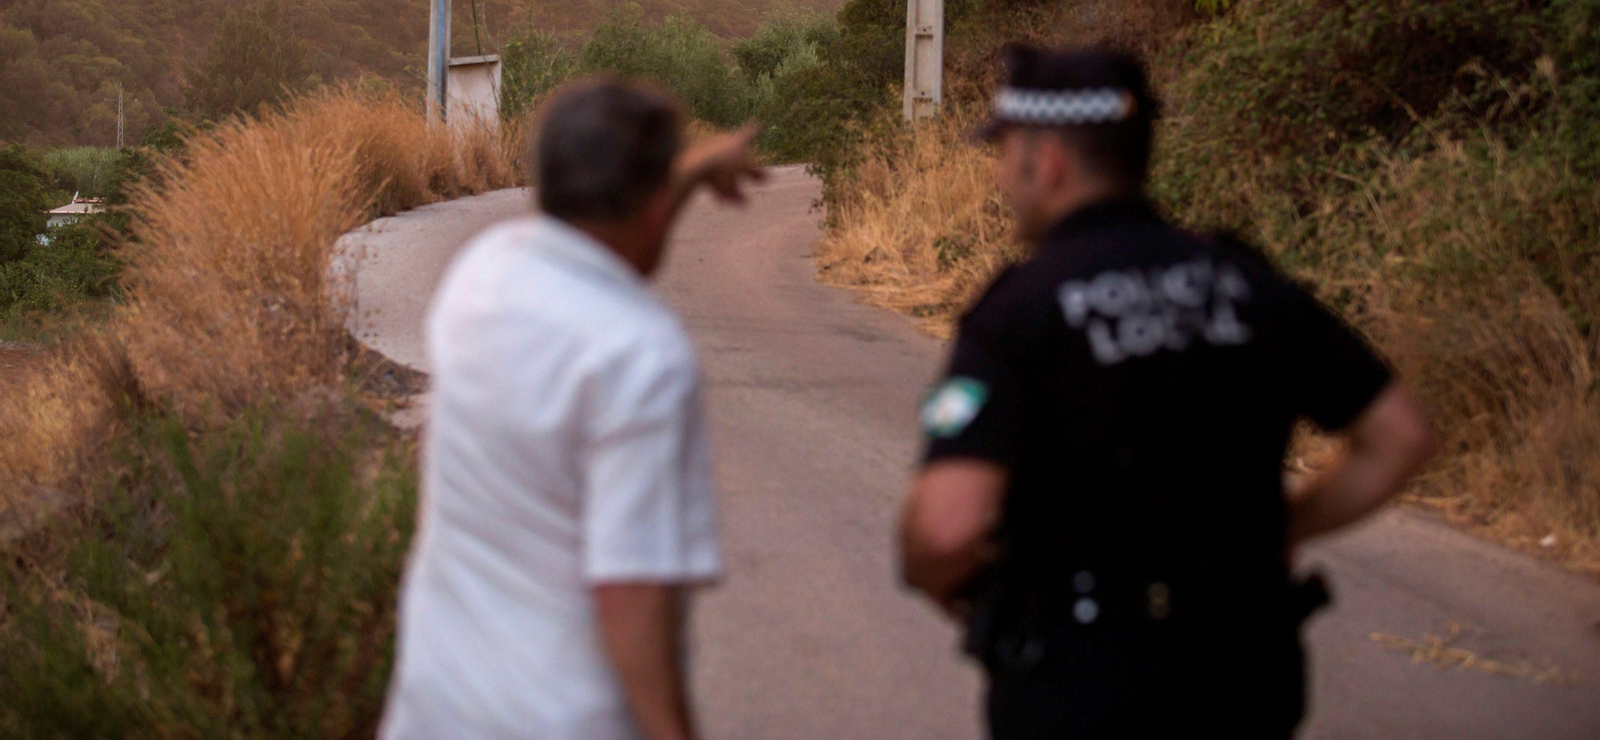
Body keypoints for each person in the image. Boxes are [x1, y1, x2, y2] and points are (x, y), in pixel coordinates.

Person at [897, 45, 1436, 739]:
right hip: (1244, 678)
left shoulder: (1021, 310)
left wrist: (946, 580)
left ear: (1050, 162)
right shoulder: (1243, 283)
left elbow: (946, 530)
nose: (1000, 176)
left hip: (1080, 686)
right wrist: (1281, 528)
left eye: (1006, 153)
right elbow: (1400, 438)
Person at [381, 79, 764, 740]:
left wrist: (692, 170)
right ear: (655, 206)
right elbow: (631, 591)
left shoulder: (479, 276)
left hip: (435, 711)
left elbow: (613, 232)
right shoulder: (640, 355)